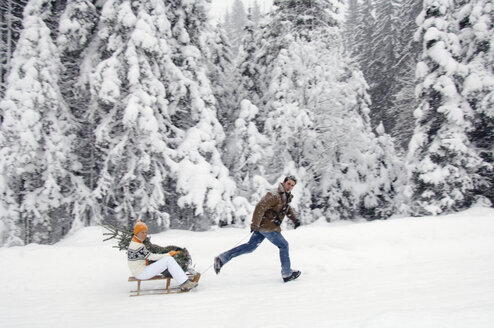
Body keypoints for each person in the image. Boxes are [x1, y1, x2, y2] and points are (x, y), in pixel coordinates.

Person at [214, 175, 302, 282]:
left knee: (250, 247)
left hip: (266, 227)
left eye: (292, 185)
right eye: (288, 184)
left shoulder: (284, 196)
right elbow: (260, 206)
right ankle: (287, 273)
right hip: (267, 227)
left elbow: (286, 209)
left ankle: (222, 259)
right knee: (284, 245)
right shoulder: (274, 195)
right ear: (283, 182)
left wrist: (295, 219)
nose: (290, 187)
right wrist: (255, 224)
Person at [127, 220, 197, 291]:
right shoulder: (138, 246)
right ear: (136, 233)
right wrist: (168, 254)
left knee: (167, 260)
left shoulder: (134, 242)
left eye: (146, 232)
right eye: (142, 232)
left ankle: (184, 280)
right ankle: (184, 283)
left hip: (139, 272)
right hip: (141, 273)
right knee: (168, 260)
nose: (145, 235)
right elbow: (152, 257)